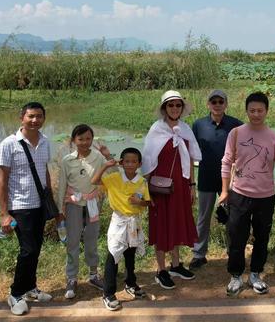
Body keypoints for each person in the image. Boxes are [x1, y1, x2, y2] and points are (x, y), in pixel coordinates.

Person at [219, 91, 275, 296]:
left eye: (260, 110)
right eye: (252, 110)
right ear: (246, 111)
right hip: (239, 193)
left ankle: (256, 274)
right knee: (236, 236)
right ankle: (235, 275)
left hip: (265, 196)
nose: (256, 114)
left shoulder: (274, 137)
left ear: (267, 111)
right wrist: (225, 191)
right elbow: (226, 162)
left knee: (262, 237)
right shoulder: (236, 133)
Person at [142, 90, 202, 290]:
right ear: (164, 108)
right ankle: (161, 270)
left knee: (176, 223)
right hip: (160, 188)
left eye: (178, 105)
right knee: (161, 225)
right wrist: (146, 190)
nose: (174, 108)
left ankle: (176, 265)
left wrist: (192, 185)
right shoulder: (156, 129)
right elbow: (149, 161)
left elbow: (192, 158)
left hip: (181, 186)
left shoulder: (185, 129)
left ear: (182, 108)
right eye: (170, 105)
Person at [0, 102, 54, 316]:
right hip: (20, 207)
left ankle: (30, 288)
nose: (35, 120)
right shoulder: (8, 144)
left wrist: (50, 201)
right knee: (28, 250)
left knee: (36, 249)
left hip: (40, 205)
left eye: (39, 116)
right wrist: (4, 213)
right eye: (30, 116)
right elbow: (1, 181)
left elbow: (45, 172)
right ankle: (15, 294)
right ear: (21, 117)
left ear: (43, 118)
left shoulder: (46, 141)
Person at [91, 147, 151, 311]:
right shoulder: (114, 177)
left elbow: (147, 202)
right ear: (121, 163)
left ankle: (130, 284)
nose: (130, 164)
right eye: (127, 161)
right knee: (114, 254)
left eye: (134, 161)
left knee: (130, 254)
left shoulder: (141, 181)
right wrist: (106, 165)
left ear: (139, 163)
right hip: (118, 222)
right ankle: (108, 293)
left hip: (134, 222)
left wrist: (139, 203)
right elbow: (94, 181)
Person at [190, 89, 243, 269]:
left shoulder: (236, 125)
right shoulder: (198, 125)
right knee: (203, 216)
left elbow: (246, 146)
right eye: (214, 102)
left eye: (221, 102)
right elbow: (189, 151)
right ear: (208, 105)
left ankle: (232, 251)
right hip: (206, 176)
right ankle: (199, 254)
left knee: (231, 216)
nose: (217, 105)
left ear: (226, 104)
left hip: (228, 179)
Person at [56, 124, 106, 299]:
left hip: (93, 203)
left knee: (92, 239)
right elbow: (62, 185)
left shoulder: (98, 157)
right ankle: (71, 278)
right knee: (73, 241)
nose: (85, 142)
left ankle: (93, 275)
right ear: (73, 140)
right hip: (73, 204)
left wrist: (108, 156)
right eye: (80, 139)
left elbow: (108, 177)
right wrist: (59, 210)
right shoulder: (67, 160)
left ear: (92, 139)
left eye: (88, 138)